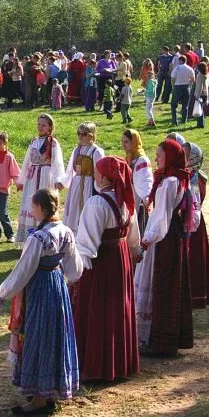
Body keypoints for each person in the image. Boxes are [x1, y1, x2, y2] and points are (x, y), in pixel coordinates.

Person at [0, 189, 83, 415]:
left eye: (33, 207)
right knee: (54, 335)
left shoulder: (38, 238)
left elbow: (22, 271)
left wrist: (1, 296)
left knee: (39, 336)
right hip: (57, 285)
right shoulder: (65, 231)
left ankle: (40, 397)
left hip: (40, 289)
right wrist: (62, 278)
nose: (32, 211)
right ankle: (49, 389)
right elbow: (76, 270)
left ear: (40, 208)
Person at [73, 157, 140, 382]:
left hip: (101, 262)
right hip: (120, 259)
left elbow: (86, 245)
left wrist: (76, 273)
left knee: (99, 309)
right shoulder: (125, 201)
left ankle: (98, 365)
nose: (94, 176)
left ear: (103, 176)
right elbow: (133, 238)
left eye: (97, 172)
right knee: (117, 308)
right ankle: (119, 363)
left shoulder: (97, 203)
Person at [134, 138, 193, 356]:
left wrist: (146, 241)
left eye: (160, 154)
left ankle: (157, 340)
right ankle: (160, 338)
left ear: (170, 156)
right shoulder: (173, 178)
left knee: (159, 283)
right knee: (167, 284)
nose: (156, 157)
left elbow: (161, 218)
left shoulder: (169, 182)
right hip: (171, 235)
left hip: (163, 239)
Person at [16, 114, 65, 243]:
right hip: (32, 177)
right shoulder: (34, 141)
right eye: (39, 124)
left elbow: (57, 162)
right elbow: (27, 161)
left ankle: (45, 236)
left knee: (44, 203)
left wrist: (58, 179)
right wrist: (21, 180)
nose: (40, 127)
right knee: (31, 202)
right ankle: (30, 238)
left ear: (49, 127)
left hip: (45, 176)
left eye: (43, 125)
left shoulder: (53, 143)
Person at [57, 122, 105, 236]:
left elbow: (101, 172)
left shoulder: (96, 151)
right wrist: (63, 182)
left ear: (91, 135)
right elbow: (70, 169)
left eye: (83, 134)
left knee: (86, 211)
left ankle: (85, 236)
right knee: (74, 210)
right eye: (78, 133)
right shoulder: (77, 150)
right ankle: (72, 237)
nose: (80, 136)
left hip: (89, 185)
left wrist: (101, 190)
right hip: (76, 185)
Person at [184, 143, 209, 310]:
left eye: (186, 155)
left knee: (193, 259)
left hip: (193, 225)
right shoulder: (189, 176)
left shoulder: (195, 179)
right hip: (190, 223)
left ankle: (195, 296)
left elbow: (194, 204)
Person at [122, 129, 154, 231]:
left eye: (126, 142)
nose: (123, 145)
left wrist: (146, 199)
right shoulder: (128, 158)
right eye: (122, 142)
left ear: (134, 141)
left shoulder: (142, 160)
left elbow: (146, 181)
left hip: (139, 200)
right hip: (129, 199)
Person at [170, 55, 195, 126]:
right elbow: (193, 79)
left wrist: (173, 85)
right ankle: (184, 120)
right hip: (186, 87)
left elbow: (173, 78)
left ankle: (174, 121)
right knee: (185, 105)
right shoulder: (190, 68)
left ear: (180, 60)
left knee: (174, 105)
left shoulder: (177, 68)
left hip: (177, 86)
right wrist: (188, 82)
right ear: (185, 60)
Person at [193, 62, 209, 128]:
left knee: (199, 109)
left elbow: (200, 87)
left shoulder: (200, 76)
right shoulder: (206, 75)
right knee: (202, 109)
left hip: (200, 94)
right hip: (205, 94)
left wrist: (197, 96)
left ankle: (200, 124)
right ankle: (201, 123)